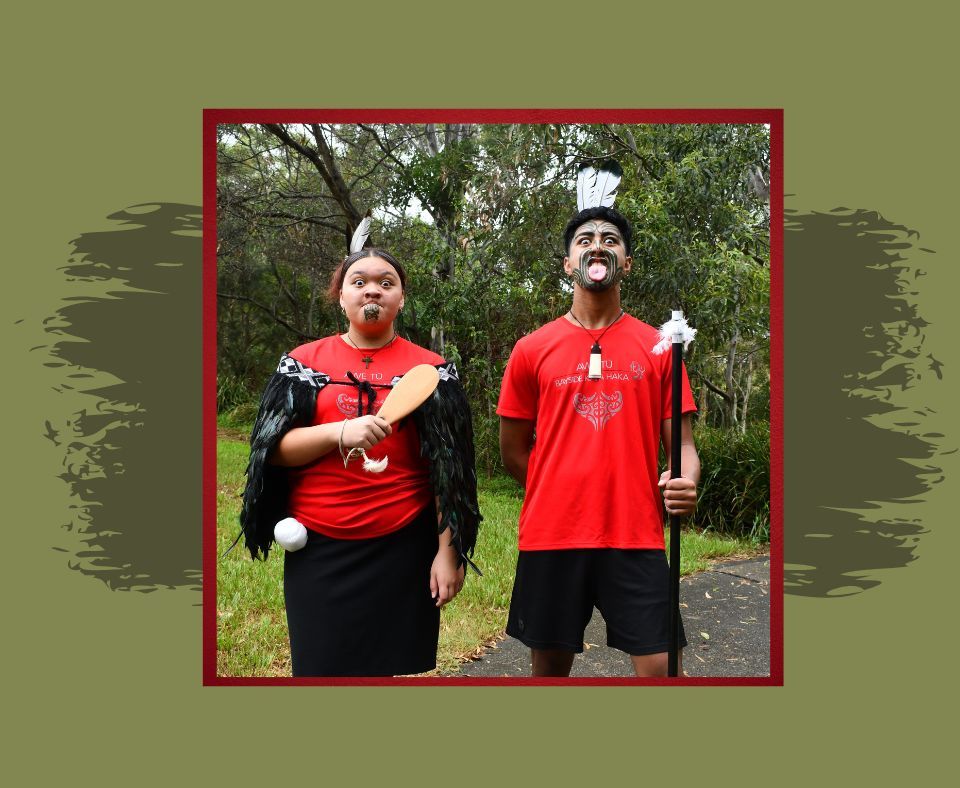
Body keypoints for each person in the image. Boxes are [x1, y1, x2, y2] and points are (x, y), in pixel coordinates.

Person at [237, 239, 480, 678]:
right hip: (320, 547)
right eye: (360, 281)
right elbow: (272, 453)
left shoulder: (432, 370)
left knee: (391, 671)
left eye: (386, 283)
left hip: (403, 546)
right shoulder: (303, 363)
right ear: (341, 295)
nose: (373, 290)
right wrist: (338, 432)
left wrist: (449, 553)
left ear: (401, 298)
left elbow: (450, 473)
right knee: (320, 669)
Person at [497, 166, 700, 678]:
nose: (597, 246)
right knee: (549, 664)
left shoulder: (661, 347)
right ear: (569, 262)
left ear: (625, 263)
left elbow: (683, 446)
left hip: (635, 535)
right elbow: (513, 448)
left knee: (662, 665)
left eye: (610, 239)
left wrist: (685, 480)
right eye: (585, 239)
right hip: (552, 535)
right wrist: (559, 488)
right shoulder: (531, 349)